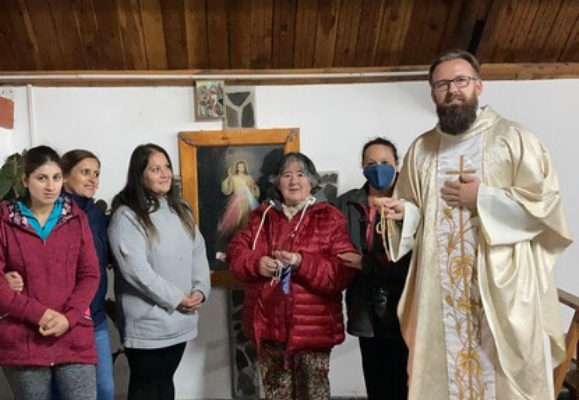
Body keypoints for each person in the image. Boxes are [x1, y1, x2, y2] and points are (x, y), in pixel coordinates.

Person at [377, 49, 572, 400]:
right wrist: (404, 215)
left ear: (478, 86)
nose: (452, 90)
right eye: (442, 84)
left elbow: (545, 207)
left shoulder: (513, 139)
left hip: (502, 289)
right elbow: (416, 208)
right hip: (440, 290)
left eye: (460, 81)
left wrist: (483, 198)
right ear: (433, 93)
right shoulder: (422, 150)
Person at [227, 152, 361, 400]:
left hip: (313, 331)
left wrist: (302, 262)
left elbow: (343, 271)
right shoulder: (262, 217)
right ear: (277, 182)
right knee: (277, 395)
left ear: (311, 181)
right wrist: (257, 264)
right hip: (269, 329)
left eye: (300, 175)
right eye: (287, 175)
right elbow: (236, 253)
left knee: (314, 396)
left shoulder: (330, 218)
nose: (293, 181)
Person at [0, 145, 100, 400]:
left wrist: (70, 317)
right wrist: (38, 314)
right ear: (25, 180)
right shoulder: (2, 220)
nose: (50, 186)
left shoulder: (76, 219)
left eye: (56, 178)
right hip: (24, 340)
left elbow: (90, 275)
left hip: (73, 335)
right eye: (41, 178)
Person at [5, 149, 114, 400]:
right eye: (85, 172)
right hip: (49, 317)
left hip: (90, 316)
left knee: (104, 389)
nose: (92, 179)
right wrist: (5, 277)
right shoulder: (39, 214)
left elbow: (94, 268)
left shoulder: (96, 215)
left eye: (96, 174)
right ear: (66, 177)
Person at [108, 143, 211, 400]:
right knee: (147, 389)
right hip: (148, 325)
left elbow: (198, 252)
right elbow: (137, 273)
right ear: (139, 175)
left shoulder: (181, 210)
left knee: (165, 385)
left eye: (167, 167)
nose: (165, 174)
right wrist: (178, 298)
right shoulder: (127, 216)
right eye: (155, 169)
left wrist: (200, 289)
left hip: (181, 319)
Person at [335, 137, 410, 400]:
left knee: (406, 382)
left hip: (404, 305)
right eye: (371, 163)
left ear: (397, 164)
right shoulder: (348, 203)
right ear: (362, 167)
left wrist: (364, 263)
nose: (378, 168)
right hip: (364, 306)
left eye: (385, 163)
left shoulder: (411, 203)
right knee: (376, 381)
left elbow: (411, 256)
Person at [217, 160, 260, 238]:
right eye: (239, 167)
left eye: (242, 166)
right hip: (236, 203)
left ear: (245, 167)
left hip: (248, 202)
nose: (241, 168)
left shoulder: (249, 177)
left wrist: (253, 187)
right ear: (237, 168)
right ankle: (237, 238)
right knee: (237, 223)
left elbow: (254, 191)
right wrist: (229, 177)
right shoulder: (234, 177)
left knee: (248, 221)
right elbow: (226, 190)